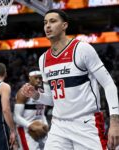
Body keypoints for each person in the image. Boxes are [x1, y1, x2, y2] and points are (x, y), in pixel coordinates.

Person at [20, 9, 119, 150]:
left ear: (64, 25)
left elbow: (109, 85)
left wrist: (115, 122)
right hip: (59, 126)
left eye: (53, 21)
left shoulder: (82, 49)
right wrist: (36, 96)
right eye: (45, 22)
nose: (47, 26)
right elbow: (52, 99)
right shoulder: (43, 59)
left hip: (85, 123)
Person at [14, 66, 48, 150]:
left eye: (40, 78)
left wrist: (46, 123)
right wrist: (30, 126)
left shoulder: (42, 92)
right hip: (26, 129)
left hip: (40, 127)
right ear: (30, 78)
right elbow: (16, 117)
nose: (38, 80)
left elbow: (42, 113)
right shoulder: (23, 92)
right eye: (36, 78)